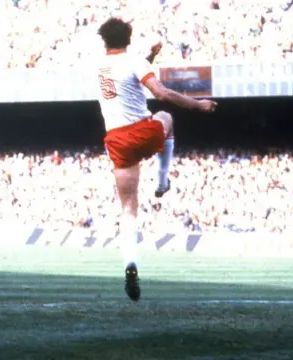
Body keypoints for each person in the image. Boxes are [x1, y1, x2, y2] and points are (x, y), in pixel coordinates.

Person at [96, 18, 217, 302]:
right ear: (129, 38)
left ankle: (130, 263)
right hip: (142, 132)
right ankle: (162, 182)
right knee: (167, 117)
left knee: (128, 209)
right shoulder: (135, 62)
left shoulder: (98, 65)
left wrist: (149, 57)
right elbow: (161, 93)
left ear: (105, 41)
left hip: (116, 141)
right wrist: (198, 105)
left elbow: (125, 73)